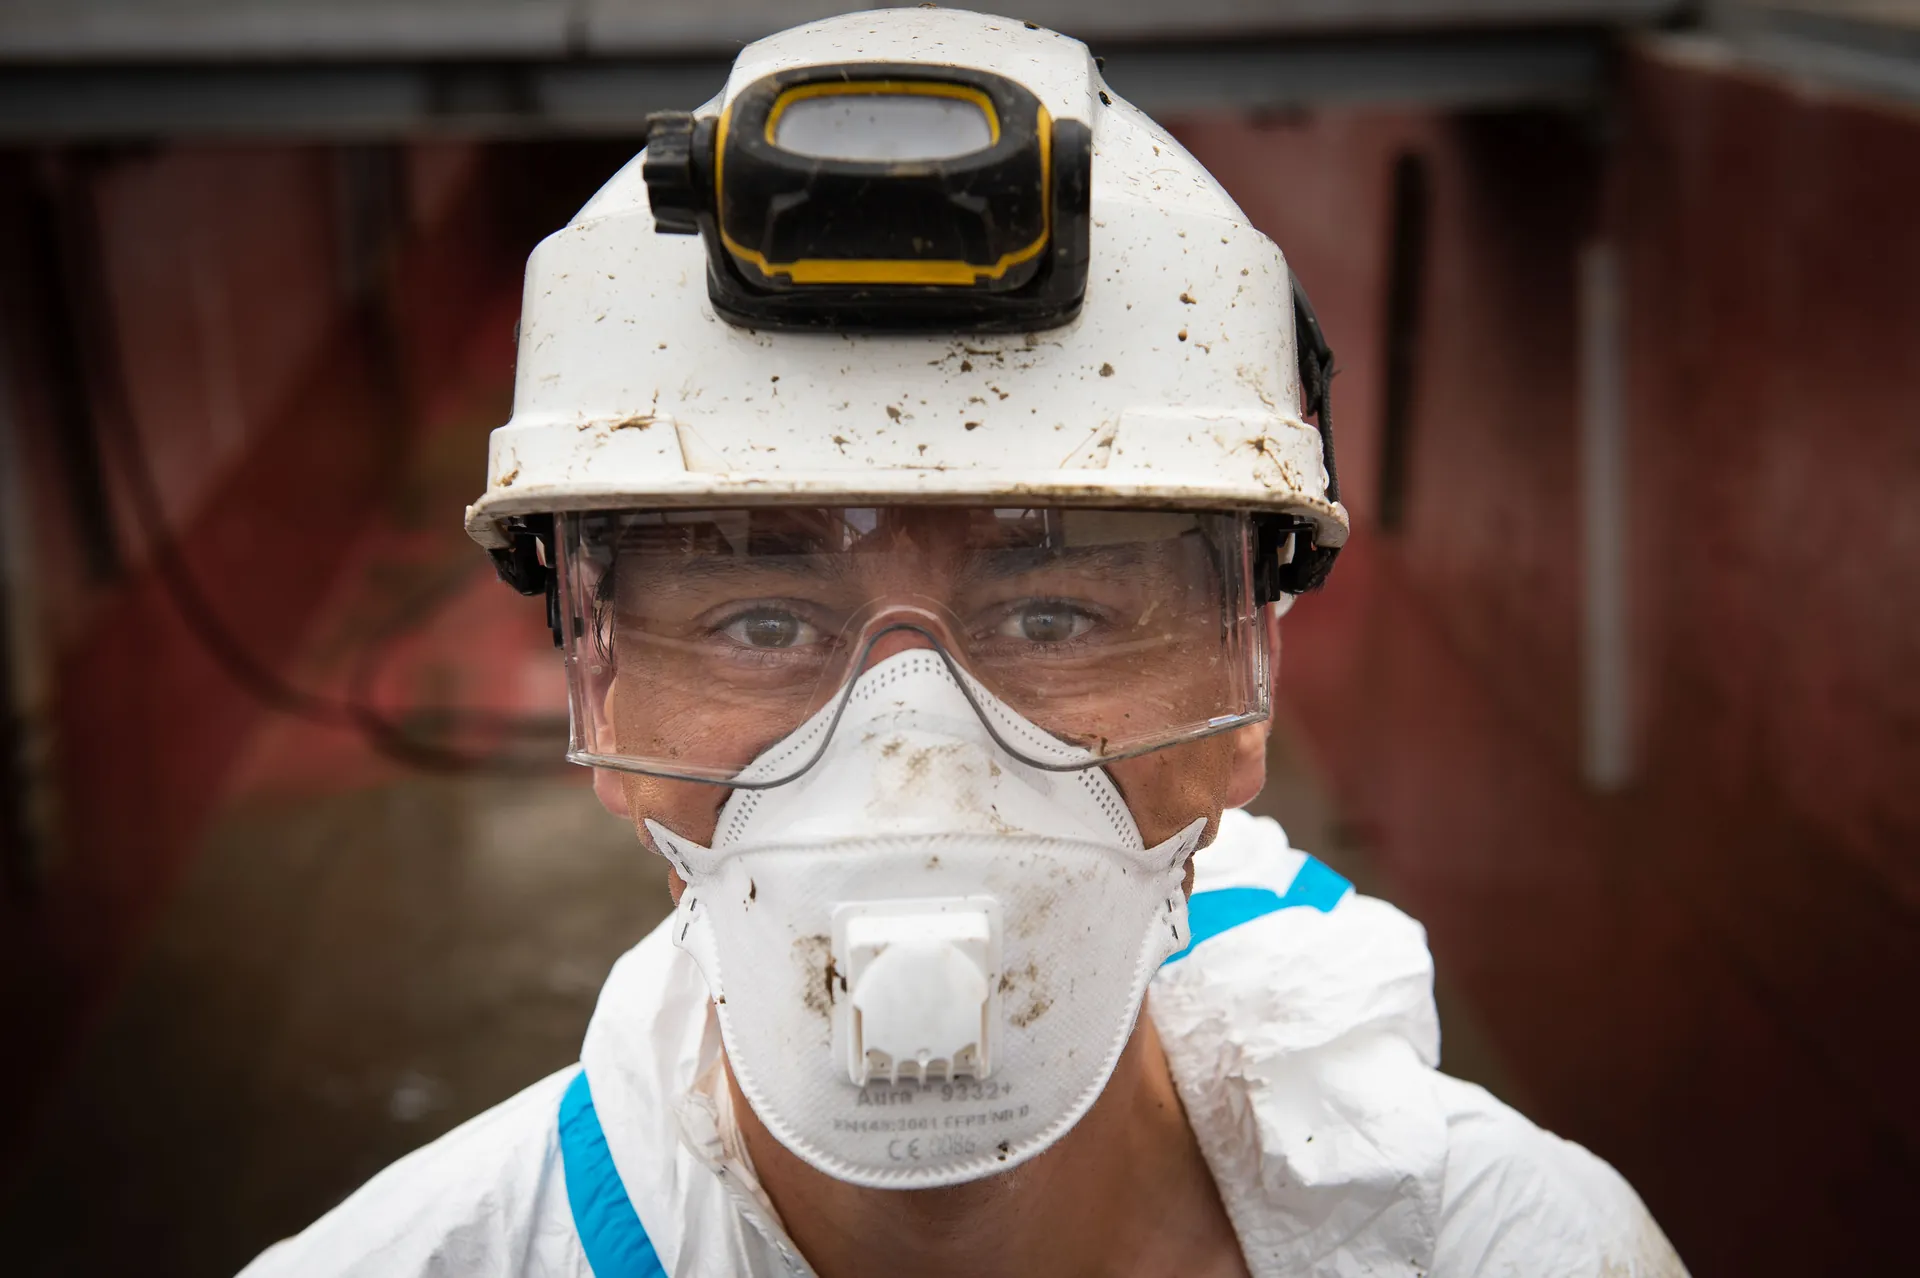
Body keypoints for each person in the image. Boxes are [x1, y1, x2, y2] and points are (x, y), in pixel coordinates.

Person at [241, 8, 1687, 1276]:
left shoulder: (1525, 1247)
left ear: (1247, 693)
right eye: (760, 617)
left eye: (1051, 612)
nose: (915, 764)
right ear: (601, 680)